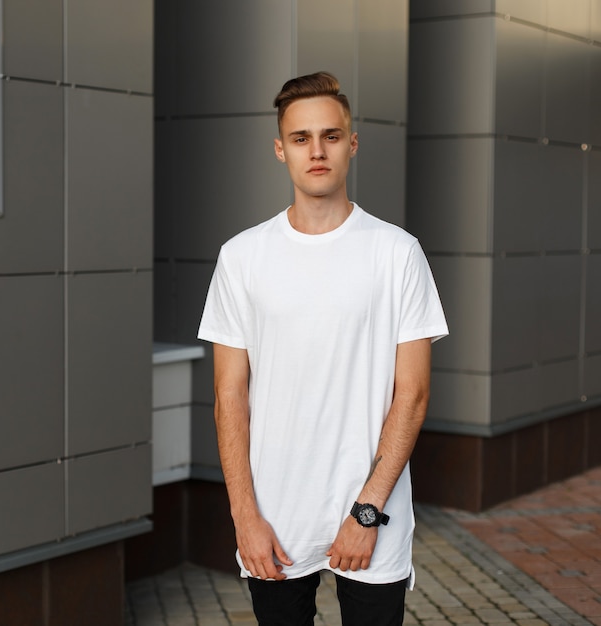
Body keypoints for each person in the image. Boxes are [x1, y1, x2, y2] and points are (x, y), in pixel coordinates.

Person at [198, 71, 448, 626]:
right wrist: (244, 516)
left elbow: (412, 394)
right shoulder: (242, 257)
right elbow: (228, 396)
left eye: (331, 136)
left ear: (352, 144)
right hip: (275, 517)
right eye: (301, 138)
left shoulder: (397, 253)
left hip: (372, 515)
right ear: (280, 149)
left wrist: (367, 511)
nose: (317, 151)